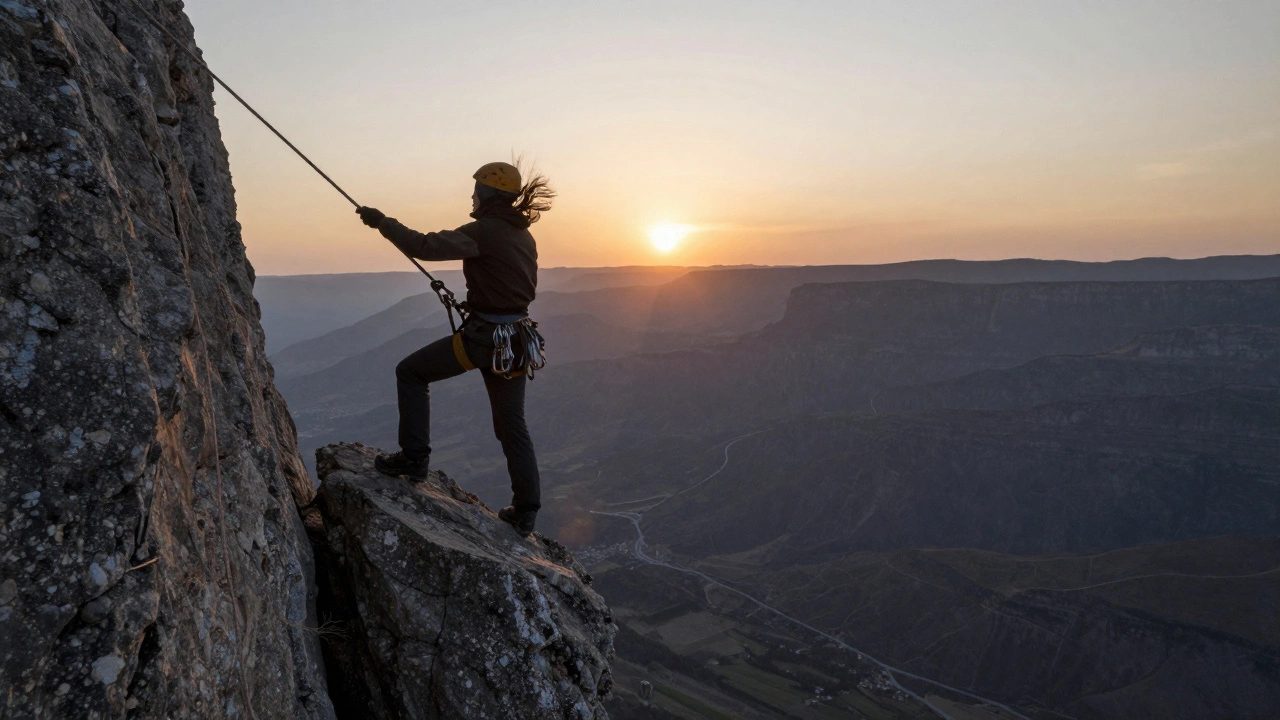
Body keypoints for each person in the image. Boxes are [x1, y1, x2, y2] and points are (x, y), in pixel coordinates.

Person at [355, 162, 554, 537]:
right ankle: (526, 510)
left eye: (477, 190)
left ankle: (414, 459)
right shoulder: (523, 235)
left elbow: (423, 246)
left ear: (489, 195)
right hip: (514, 343)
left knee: (410, 372)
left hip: (483, 341)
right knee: (512, 425)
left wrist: (381, 221)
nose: (473, 196)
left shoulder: (484, 232)